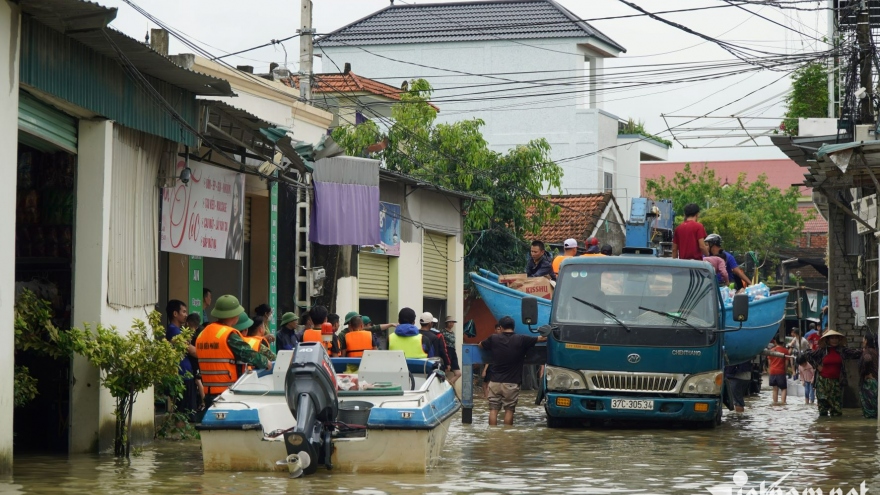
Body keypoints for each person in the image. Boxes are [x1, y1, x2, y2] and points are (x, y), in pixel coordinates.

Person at [196, 295, 272, 408]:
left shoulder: (204, 333)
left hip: (208, 392)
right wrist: (266, 362)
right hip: (227, 393)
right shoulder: (228, 334)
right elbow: (248, 354)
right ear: (234, 316)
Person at [479, 316, 547, 426]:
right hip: (511, 382)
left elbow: (481, 345)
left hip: (495, 382)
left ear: (500, 327)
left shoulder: (494, 338)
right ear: (514, 327)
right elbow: (542, 338)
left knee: (493, 410)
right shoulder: (522, 339)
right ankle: (507, 435)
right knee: (509, 410)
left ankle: (492, 434)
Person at [804, 329, 862, 417]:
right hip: (822, 382)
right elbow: (807, 354)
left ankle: (835, 428)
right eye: (832, 338)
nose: (834, 340)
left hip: (836, 382)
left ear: (839, 340)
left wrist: (867, 349)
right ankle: (823, 428)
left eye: (836, 338)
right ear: (827, 340)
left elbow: (855, 353)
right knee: (823, 408)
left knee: (836, 409)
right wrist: (817, 366)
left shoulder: (842, 350)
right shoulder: (822, 351)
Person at [165, 299, 199, 420]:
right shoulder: (174, 330)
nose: (186, 315)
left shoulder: (179, 330)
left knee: (186, 414)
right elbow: (192, 351)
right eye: (183, 312)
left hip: (186, 376)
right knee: (183, 414)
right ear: (175, 314)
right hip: (182, 377)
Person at [184, 313, 204, 409]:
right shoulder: (200, 332)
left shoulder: (194, 334)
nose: (194, 329)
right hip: (197, 361)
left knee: (198, 380)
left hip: (196, 361)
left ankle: (204, 402)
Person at [481, 323, 504, 399]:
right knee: (486, 383)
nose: (499, 331)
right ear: (495, 330)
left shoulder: (496, 340)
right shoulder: (493, 339)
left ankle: (487, 396)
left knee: (487, 383)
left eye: (500, 329)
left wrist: (484, 370)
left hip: (493, 365)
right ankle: (486, 396)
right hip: (491, 364)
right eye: (497, 329)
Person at [766, 336, 791, 405]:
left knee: (774, 389)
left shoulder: (771, 351)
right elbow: (786, 364)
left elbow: (769, 363)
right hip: (781, 371)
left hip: (772, 371)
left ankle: (775, 403)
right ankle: (783, 403)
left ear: (775, 341)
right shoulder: (785, 351)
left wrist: (770, 370)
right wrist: (785, 371)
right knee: (783, 389)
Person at [859, 334, 878, 418]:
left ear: (866, 341)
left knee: (869, 407)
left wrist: (866, 374)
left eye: (863, 339)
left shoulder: (867, 352)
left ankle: (869, 429)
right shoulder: (875, 351)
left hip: (869, 383)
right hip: (876, 380)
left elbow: (867, 359)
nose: (862, 341)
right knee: (874, 405)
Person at [225, 176, 244, 260]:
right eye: (233, 197)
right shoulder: (228, 230)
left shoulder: (240, 230)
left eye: (237, 196)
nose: (235, 203)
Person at [442, 315, 462, 386]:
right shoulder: (443, 332)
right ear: (446, 323)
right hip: (447, 351)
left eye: (452, 322)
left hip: (453, 351)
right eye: (449, 322)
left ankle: (449, 384)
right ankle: (442, 385)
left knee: (458, 373)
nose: (451, 324)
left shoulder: (452, 332)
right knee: (446, 369)